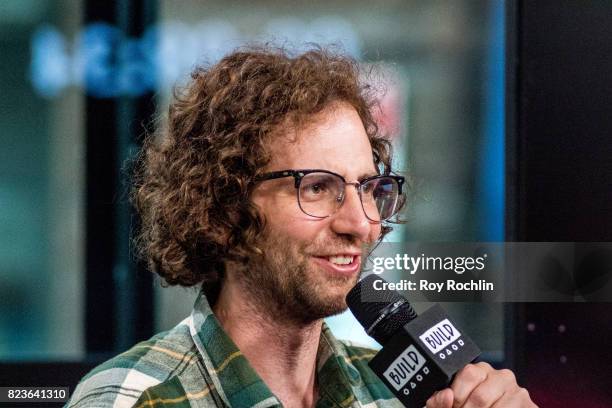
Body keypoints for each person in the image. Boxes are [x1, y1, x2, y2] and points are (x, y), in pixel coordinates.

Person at [66, 47, 536, 408]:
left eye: (369, 187)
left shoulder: (391, 395)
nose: (361, 222)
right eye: (315, 187)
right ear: (222, 208)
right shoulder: (133, 398)